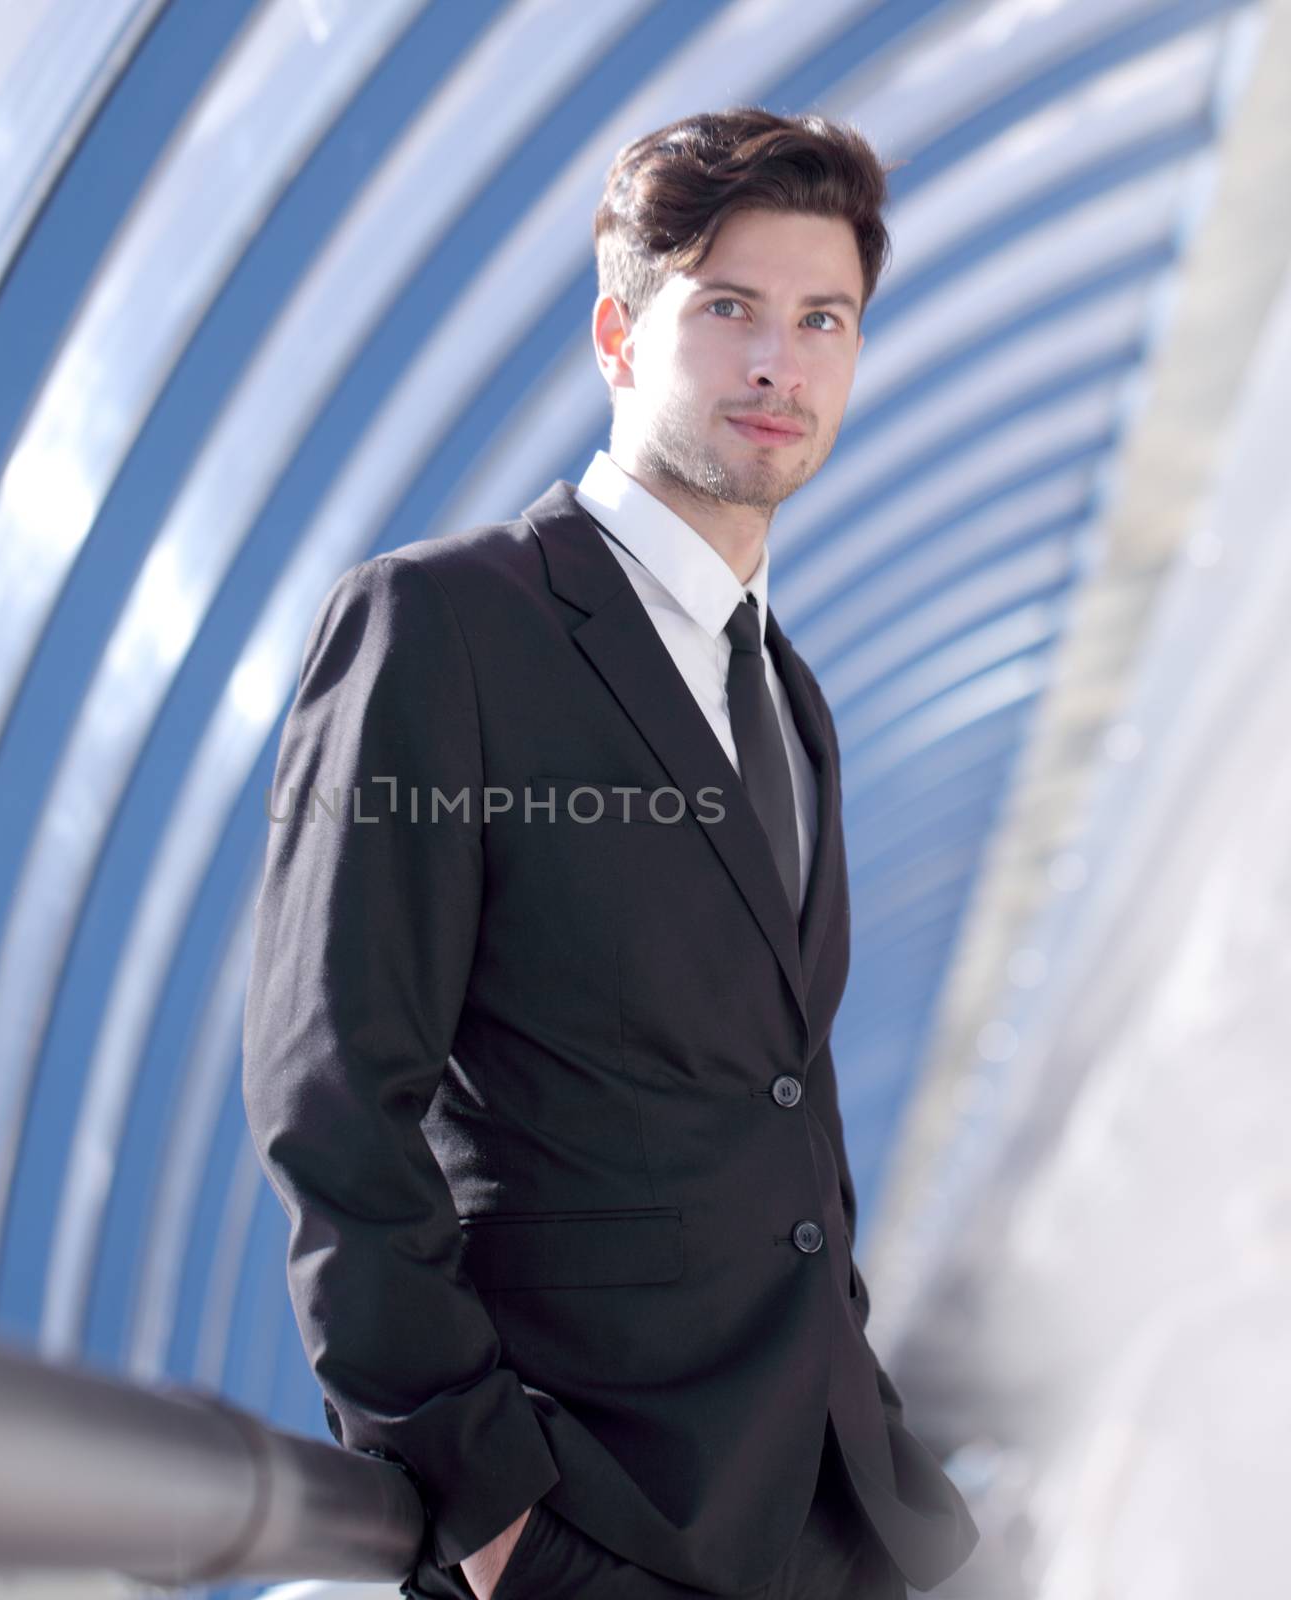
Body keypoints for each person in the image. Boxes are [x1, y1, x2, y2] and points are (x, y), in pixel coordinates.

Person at [242, 106, 980, 1599]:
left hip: (836, 1517)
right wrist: (495, 1521)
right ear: (618, 333)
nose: (781, 362)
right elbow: (331, 1101)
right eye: (729, 310)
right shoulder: (441, 627)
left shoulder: (789, 695)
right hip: (592, 1522)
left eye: (822, 318)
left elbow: (782, 1107)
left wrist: (887, 1461)